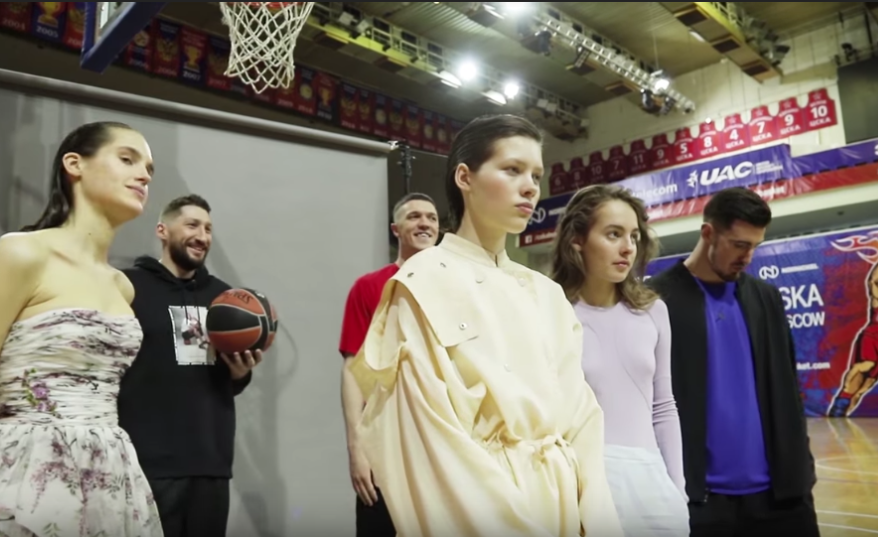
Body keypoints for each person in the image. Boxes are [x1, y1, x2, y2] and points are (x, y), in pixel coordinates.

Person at [348, 114, 622, 536]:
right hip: (476, 508)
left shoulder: (547, 293)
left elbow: (582, 417)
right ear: (465, 177)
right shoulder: (421, 283)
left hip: (563, 503)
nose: (530, 187)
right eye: (512, 169)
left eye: (536, 175)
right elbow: (430, 438)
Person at [0, 121, 163, 536]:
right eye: (127, 159)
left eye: (148, 169)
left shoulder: (122, 286)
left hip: (115, 478)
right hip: (26, 481)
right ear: (75, 164)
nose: (144, 175)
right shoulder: (21, 253)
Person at [646, 187, 818, 536]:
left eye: (754, 246)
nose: (747, 256)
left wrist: (801, 470)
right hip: (699, 502)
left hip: (781, 497)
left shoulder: (766, 298)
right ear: (708, 233)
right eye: (739, 245)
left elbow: (788, 391)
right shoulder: (657, 301)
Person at [118, 194, 262, 537]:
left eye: (208, 229)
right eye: (192, 225)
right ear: (162, 231)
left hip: (209, 463)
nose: (202, 236)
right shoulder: (129, 288)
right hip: (145, 461)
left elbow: (228, 378)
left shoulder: (225, 299)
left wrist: (241, 374)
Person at [550, 184, 688, 537]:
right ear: (577, 239)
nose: (628, 247)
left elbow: (664, 406)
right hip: (584, 480)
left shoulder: (654, 311)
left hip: (652, 478)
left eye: (634, 236)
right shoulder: (552, 312)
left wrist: (678, 488)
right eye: (613, 234)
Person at [339, 192, 439, 537]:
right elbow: (353, 371)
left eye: (432, 217)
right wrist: (357, 448)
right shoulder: (368, 288)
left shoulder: (458, 289)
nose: (425, 223)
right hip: (385, 444)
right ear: (396, 229)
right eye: (414, 216)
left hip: (442, 445)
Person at [829, 241, 878, 416]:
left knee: (864, 387)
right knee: (865, 365)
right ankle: (840, 405)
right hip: (869, 340)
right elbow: (874, 281)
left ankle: (840, 410)